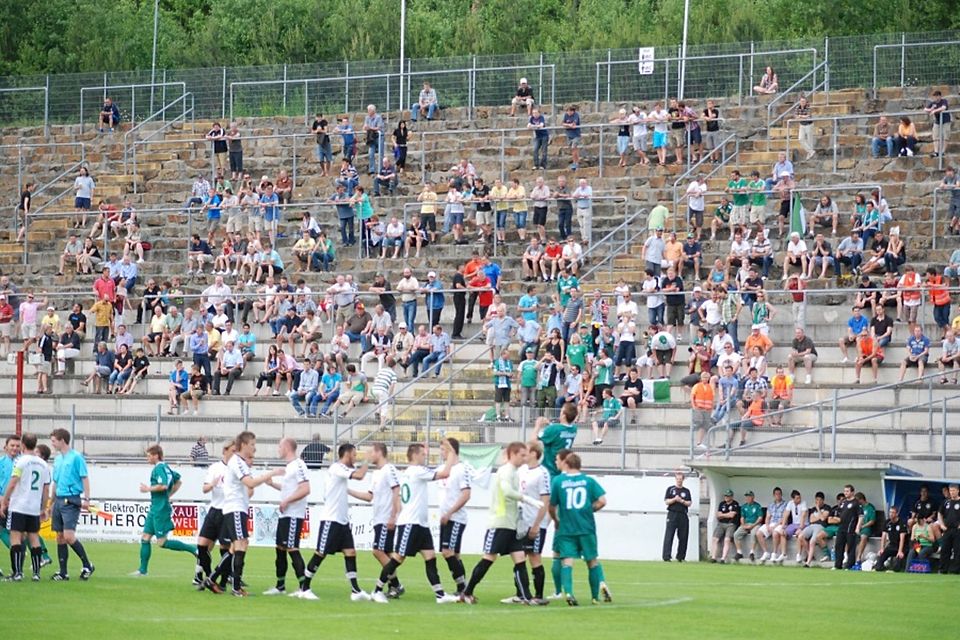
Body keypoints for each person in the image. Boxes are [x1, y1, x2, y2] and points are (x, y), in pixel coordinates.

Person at [369, 443, 459, 604]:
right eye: (423, 454)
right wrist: (452, 453)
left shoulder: (408, 473)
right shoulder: (417, 471)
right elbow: (445, 473)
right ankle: (377, 590)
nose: (425, 456)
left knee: (430, 557)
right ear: (415, 455)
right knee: (398, 558)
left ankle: (440, 594)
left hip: (420, 524)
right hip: (410, 523)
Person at [459, 442, 545, 605]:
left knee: (520, 558)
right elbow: (506, 491)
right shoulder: (506, 471)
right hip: (500, 522)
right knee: (489, 558)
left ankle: (527, 597)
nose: (525, 458)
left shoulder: (514, 472)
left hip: (511, 524)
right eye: (522, 455)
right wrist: (527, 499)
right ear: (512, 455)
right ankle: (467, 592)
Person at [202, 431, 278, 596]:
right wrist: (270, 474)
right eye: (252, 445)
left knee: (235, 547)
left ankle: (212, 579)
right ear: (243, 445)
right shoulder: (237, 462)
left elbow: (249, 486)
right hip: (234, 508)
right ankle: (236, 587)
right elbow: (250, 482)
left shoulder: (240, 462)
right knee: (241, 544)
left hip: (238, 507)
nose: (254, 448)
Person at [131, 444, 197, 577]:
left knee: (161, 542)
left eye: (149, 456)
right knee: (145, 537)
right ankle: (142, 570)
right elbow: (178, 481)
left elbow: (163, 485)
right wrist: (168, 495)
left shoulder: (159, 468)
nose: (147, 458)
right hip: (155, 507)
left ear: (156, 455)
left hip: (160, 509)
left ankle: (194, 549)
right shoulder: (165, 467)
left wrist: (148, 489)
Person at [352, 443, 405, 598]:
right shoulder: (376, 474)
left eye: (371, 452)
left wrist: (393, 515)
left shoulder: (389, 469)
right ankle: (394, 586)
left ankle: (395, 585)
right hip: (378, 518)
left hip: (385, 518)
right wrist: (348, 490)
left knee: (378, 551)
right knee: (388, 553)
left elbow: (396, 491)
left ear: (379, 452)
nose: (369, 456)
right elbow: (369, 496)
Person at [0, 433, 50, 581]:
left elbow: (13, 483)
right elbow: (46, 489)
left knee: (15, 537)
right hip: (33, 507)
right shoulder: (43, 464)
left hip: (18, 505)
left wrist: (5, 501)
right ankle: (36, 573)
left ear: (22, 445)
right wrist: (43, 508)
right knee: (33, 538)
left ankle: (17, 573)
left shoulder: (20, 462)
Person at [47, 428, 94, 581]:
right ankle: (63, 572)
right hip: (59, 500)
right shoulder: (58, 459)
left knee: (68, 536)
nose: (52, 444)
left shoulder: (76, 457)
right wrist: (51, 502)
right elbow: (56, 482)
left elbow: (84, 478)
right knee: (60, 536)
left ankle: (87, 564)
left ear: (62, 440)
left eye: (54, 441)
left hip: (71, 499)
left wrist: (87, 499)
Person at [662, 471, 692, 562]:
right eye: (677, 479)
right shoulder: (671, 489)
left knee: (683, 536)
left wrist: (682, 501)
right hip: (672, 514)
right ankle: (666, 556)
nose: (679, 481)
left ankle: (681, 557)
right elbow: (666, 501)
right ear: (675, 479)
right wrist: (675, 499)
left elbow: (689, 503)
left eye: (680, 479)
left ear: (683, 480)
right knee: (669, 535)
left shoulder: (686, 491)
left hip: (683, 514)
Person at [834, 484, 863, 570]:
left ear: (852, 492)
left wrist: (858, 527)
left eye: (847, 491)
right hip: (841, 527)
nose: (845, 493)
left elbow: (861, 516)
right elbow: (840, 513)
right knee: (838, 546)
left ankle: (849, 565)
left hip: (851, 528)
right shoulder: (843, 502)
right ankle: (837, 565)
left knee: (851, 547)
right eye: (845, 491)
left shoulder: (856, 503)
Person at [709, 490, 740, 563]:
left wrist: (723, 515)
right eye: (725, 496)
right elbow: (718, 515)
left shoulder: (735, 504)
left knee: (727, 540)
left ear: (731, 496)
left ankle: (723, 558)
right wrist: (726, 515)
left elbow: (732, 515)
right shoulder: (722, 504)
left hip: (731, 524)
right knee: (715, 539)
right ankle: (713, 557)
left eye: (728, 496)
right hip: (721, 523)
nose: (726, 497)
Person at [874, 505, 907, 572]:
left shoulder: (901, 523)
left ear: (896, 514)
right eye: (890, 512)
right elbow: (883, 536)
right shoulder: (887, 522)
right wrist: (882, 548)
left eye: (893, 512)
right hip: (891, 546)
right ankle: (883, 567)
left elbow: (902, 539)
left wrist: (900, 551)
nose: (891, 514)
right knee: (878, 567)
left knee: (896, 568)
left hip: (901, 547)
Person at [733, 490, 763, 562]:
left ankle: (752, 552)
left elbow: (760, 518)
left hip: (755, 524)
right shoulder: (744, 506)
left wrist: (753, 525)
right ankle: (739, 552)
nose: (747, 498)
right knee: (736, 534)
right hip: (746, 524)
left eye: (749, 496)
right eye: (746, 496)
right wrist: (743, 525)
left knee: (753, 534)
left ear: (753, 497)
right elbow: (742, 517)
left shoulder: (757, 506)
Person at [937, 484, 960, 574]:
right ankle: (942, 570)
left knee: (957, 550)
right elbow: (939, 513)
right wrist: (941, 524)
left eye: (953, 490)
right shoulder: (946, 502)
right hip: (947, 529)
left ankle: (955, 570)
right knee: (945, 550)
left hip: (957, 530)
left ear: (958, 491)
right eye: (950, 491)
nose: (952, 492)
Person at [925, 89, 951, 158]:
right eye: (934, 96)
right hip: (937, 121)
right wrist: (931, 109)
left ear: (940, 96)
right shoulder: (933, 103)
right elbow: (925, 109)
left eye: (937, 96)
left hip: (946, 121)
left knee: (946, 136)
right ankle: (936, 152)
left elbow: (943, 108)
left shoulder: (944, 101)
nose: (935, 97)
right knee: (935, 135)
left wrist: (934, 111)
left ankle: (943, 152)